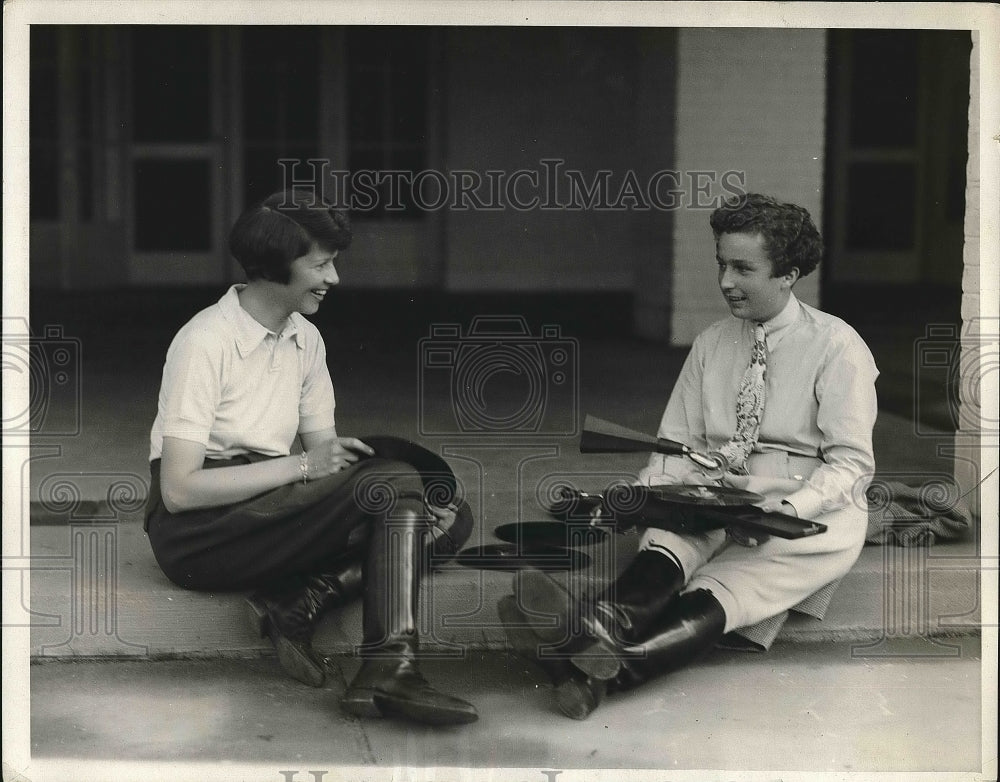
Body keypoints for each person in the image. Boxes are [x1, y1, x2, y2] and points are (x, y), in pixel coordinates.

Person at [501, 192, 879, 719]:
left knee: (728, 588)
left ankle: (581, 666)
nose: (725, 281)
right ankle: (598, 632)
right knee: (670, 539)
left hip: (803, 511)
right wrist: (654, 497)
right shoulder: (712, 342)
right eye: (722, 264)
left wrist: (784, 514)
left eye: (743, 268)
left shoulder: (838, 347)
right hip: (716, 492)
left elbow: (851, 465)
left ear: (788, 274)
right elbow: (679, 443)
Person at [143, 189, 478, 726]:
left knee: (448, 514)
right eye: (321, 264)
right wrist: (305, 468)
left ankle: (300, 603)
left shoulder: (307, 339)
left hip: (268, 512)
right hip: (200, 535)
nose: (334, 279)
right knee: (395, 486)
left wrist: (340, 470)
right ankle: (386, 666)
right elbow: (180, 492)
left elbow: (333, 459)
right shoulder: (203, 341)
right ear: (275, 267)